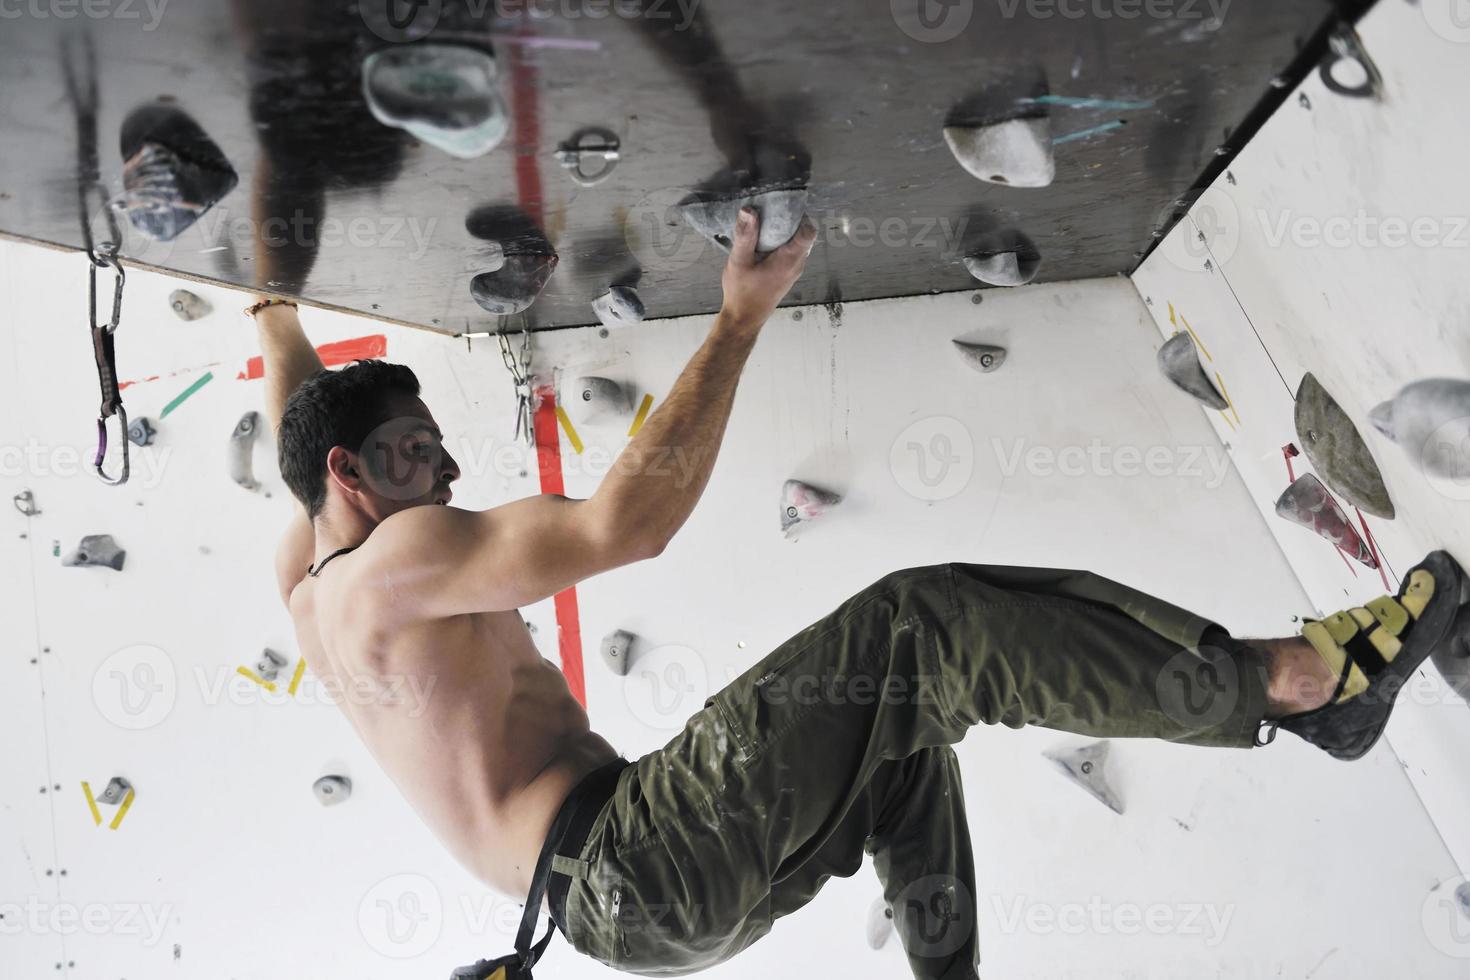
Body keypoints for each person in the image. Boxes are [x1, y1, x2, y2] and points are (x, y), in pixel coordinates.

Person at [251, 209, 1469, 980]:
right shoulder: (393, 561)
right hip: (632, 856)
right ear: (357, 478)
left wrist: (273, 300)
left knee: (897, 738)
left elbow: (302, 418)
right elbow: (625, 525)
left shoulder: (309, 579)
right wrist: (738, 318)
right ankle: (1296, 684)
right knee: (919, 627)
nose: (450, 469)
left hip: (629, 913)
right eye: (420, 449)